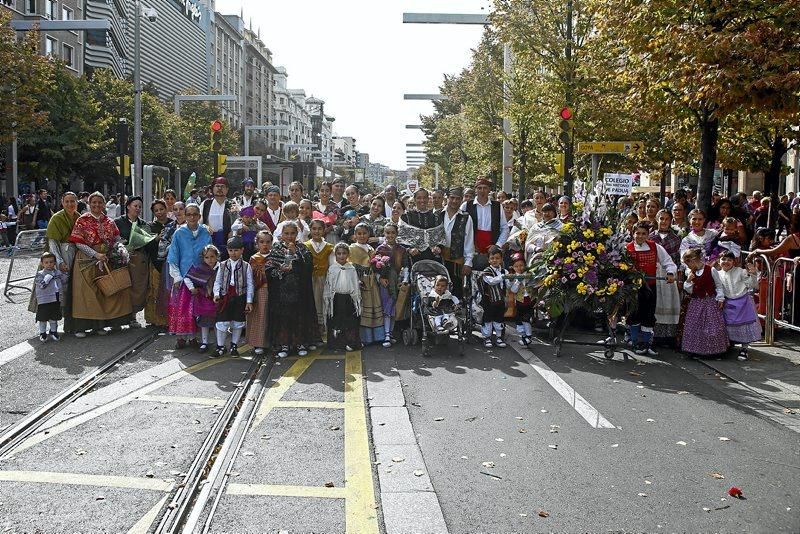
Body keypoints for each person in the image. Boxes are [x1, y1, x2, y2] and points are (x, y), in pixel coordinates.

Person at [69, 192, 133, 337]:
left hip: (105, 259)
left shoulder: (109, 221)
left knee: (105, 291)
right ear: (89, 204)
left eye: (99, 202)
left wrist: (121, 248)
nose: (96, 205)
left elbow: (116, 238)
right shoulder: (82, 220)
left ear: (104, 204)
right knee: (86, 294)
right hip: (86, 259)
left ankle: (99, 326)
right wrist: (95, 254)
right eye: (94, 202)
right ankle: (82, 327)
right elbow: (78, 242)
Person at [266, 221, 316, 358]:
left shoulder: (302, 248)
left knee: (299, 316)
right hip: (281, 292)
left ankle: (300, 343)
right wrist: (280, 271)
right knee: (283, 318)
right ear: (281, 235)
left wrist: (296, 254)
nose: (289, 236)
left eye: (292, 233)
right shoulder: (275, 249)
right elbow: (269, 269)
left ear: (297, 234)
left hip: (299, 290)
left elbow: (308, 267)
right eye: (286, 233)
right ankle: (284, 345)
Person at [626, 222, 678, 355]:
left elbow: (668, 262)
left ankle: (646, 342)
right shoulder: (627, 248)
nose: (640, 236)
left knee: (648, 314)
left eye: (644, 233)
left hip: (650, 287)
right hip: (633, 288)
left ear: (648, 235)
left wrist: (670, 273)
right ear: (633, 234)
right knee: (634, 314)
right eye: (637, 233)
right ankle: (635, 341)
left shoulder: (655, 247)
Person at [166, 203, 213, 348]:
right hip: (184, 276)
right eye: (189, 214)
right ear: (185, 216)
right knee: (183, 308)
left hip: (201, 277)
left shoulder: (205, 233)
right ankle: (181, 337)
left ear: (199, 216)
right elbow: (173, 257)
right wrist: (177, 277)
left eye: (195, 214)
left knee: (197, 309)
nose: (192, 217)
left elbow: (210, 253)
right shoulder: (179, 233)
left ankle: (193, 337)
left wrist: (209, 276)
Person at [41, 192, 80, 334]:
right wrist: (59, 261)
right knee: (59, 289)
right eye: (67, 201)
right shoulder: (56, 218)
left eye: (72, 201)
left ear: (76, 202)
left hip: (76, 253)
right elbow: (52, 242)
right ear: (62, 203)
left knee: (74, 287)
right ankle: (56, 323)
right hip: (62, 253)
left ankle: (72, 320)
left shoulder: (79, 216)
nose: (70, 204)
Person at [115, 196, 155, 327]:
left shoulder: (143, 224)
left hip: (138, 260)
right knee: (121, 287)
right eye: (135, 206)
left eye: (139, 206)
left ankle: (133, 316)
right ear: (128, 206)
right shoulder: (118, 222)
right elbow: (114, 239)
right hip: (121, 259)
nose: (137, 209)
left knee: (137, 287)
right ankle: (118, 318)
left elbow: (148, 243)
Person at [681, 248, 729, 357]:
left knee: (712, 325)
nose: (687, 266)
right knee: (694, 325)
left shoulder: (711, 270)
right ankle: (694, 349)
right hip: (696, 302)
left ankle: (713, 350)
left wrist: (720, 298)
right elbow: (689, 290)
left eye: (687, 263)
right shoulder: (690, 272)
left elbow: (718, 285)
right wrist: (688, 281)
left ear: (693, 260)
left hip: (709, 301)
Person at [213, 237, 254, 358]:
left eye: (236, 250)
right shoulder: (222, 265)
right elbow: (218, 281)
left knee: (238, 322)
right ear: (227, 250)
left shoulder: (246, 266)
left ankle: (234, 345)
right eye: (230, 250)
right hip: (225, 296)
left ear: (242, 250)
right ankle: (220, 346)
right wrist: (216, 294)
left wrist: (249, 301)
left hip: (240, 296)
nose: (233, 253)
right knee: (222, 322)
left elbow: (250, 284)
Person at [718, 251, 761, 360]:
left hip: (743, 302)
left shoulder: (740, 272)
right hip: (727, 303)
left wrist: (753, 274)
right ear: (719, 261)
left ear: (734, 262)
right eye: (723, 259)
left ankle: (744, 349)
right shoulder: (717, 274)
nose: (726, 262)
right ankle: (728, 345)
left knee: (744, 326)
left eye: (729, 260)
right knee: (728, 326)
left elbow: (752, 285)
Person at [349, 223, 386, 344]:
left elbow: (374, 266)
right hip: (361, 282)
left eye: (364, 233)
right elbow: (351, 266)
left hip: (372, 281)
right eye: (359, 233)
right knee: (363, 308)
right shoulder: (352, 248)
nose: (362, 236)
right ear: (355, 235)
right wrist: (356, 281)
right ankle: (365, 337)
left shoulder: (370, 248)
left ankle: (378, 336)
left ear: (369, 234)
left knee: (375, 305)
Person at [649, 209, 682, 345]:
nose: (663, 222)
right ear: (657, 220)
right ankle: (653, 335)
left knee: (669, 302)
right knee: (655, 302)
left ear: (671, 220)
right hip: (654, 274)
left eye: (666, 219)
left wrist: (677, 275)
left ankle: (668, 336)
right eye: (661, 219)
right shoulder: (651, 237)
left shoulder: (675, 238)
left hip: (669, 274)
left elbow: (678, 260)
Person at [375, 223, 411, 344]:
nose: (390, 235)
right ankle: (386, 335)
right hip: (385, 283)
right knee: (386, 308)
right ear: (384, 234)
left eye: (393, 233)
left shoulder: (402, 249)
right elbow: (375, 267)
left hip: (398, 282)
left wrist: (405, 280)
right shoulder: (380, 249)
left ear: (396, 234)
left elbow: (406, 266)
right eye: (387, 233)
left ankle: (390, 334)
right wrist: (380, 278)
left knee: (395, 308)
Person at [324, 243, 363, 351]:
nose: (341, 256)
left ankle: (351, 342)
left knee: (350, 321)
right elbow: (328, 285)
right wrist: (328, 298)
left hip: (349, 299)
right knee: (337, 320)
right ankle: (337, 343)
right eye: (339, 254)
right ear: (335, 255)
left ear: (348, 255)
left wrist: (356, 299)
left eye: (344, 253)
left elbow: (355, 284)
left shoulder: (351, 269)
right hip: (336, 298)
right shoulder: (332, 269)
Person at [463, 177, 508, 270]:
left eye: (485, 188)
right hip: (472, 247)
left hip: (492, 248)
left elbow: (504, 228)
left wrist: (497, 245)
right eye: (479, 188)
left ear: (489, 190)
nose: (482, 191)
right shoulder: (466, 206)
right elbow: (460, 227)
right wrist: (470, 245)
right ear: (475, 190)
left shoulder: (497, 206)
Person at [183, 244, 220, 352]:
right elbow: (188, 278)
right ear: (203, 258)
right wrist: (191, 288)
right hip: (204, 299)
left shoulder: (221, 267)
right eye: (207, 257)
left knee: (218, 322)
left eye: (212, 256)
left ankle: (219, 343)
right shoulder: (200, 269)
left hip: (217, 298)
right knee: (204, 322)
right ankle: (204, 342)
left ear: (217, 256)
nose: (210, 260)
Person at [440, 187, 474, 299]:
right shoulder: (438, 215)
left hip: (457, 260)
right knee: (440, 291)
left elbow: (469, 240)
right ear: (447, 198)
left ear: (461, 200)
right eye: (452, 198)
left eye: (458, 199)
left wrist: (468, 262)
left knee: (456, 293)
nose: (454, 201)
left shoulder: (466, 217)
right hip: (440, 259)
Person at [306, 219, 334, 345]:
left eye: (319, 229)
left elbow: (332, 265)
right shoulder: (305, 246)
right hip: (310, 280)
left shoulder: (328, 247)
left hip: (324, 279)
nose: (317, 231)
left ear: (324, 230)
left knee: (324, 304)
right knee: (312, 305)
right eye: (314, 229)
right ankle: (313, 335)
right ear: (310, 230)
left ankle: (325, 333)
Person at [144, 199, 171, 327]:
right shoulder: (149, 226)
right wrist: (155, 239)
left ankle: (169, 320)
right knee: (154, 291)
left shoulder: (173, 224)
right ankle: (154, 319)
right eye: (156, 210)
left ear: (166, 209)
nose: (159, 212)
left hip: (170, 263)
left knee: (169, 291)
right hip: (155, 263)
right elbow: (145, 246)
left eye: (161, 209)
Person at [399, 188, 445, 263]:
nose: (422, 200)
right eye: (419, 198)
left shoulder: (436, 217)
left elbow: (441, 237)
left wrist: (438, 247)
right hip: (413, 259)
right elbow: (401, 239)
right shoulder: (406, 217)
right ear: (414, 199)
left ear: (428, 199)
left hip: (433, 259)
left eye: (424, 198)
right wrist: (409, 249)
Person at [33, 252, 68, 342]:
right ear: (42, 263)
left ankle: (53, 331)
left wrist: (65, 273)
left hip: (56, 298)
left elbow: (65, 280)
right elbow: (41, 285)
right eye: (46, 262)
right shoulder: (40, 274)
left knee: (54, 316)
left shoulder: (57, 272)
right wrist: (46, 279)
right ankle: (43, 333)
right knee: (43, 317)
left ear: (54, 263)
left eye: (51, 262)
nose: (49, 264)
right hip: (44, 299)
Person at [246, 231, 272, 355]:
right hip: (260, 290)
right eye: (262, 242)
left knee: (271, 317)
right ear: (257, 244)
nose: (265, 245)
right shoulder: (254, 258)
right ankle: (259, 343)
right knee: (260, 316)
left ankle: (273, 342)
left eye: (268, 242)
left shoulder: (274, 256)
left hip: (273, 290)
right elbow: (251, 278)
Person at [480, 246, 509, 348]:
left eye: (497, 258)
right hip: (488, 300)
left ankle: (499, 337)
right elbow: (491, 281)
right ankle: (487, 337)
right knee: (488, 319)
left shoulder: (504, 271)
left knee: (499, 319)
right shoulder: (486, 271)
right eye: (492, 258)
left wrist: (514, 280)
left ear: (501, 259)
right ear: (488, 260)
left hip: (500, 300)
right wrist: (503, 277)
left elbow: (508, 285)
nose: (495, 260)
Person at [200, 177, 234, 258]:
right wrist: (205, 227)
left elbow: (237, 222)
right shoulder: (206, 204)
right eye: (217, 186)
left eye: (222, 186)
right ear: (212, 189)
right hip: (209, 240)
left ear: (227, 189)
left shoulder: (232, 204)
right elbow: (198, 222)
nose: (220, 188)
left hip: (226, 240)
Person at [508, 253, 535, 346]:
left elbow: (534, 284)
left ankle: (528, 336)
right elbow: (513, 290)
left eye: (521, 265)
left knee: (526, 319)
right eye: (516, 266)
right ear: (513, 267)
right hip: (520, 301)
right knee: (519, 319)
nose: (519, 268)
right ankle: (524, 336)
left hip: (530, 301)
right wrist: (517, 281)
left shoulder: (530, 274)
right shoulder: (513, 277)